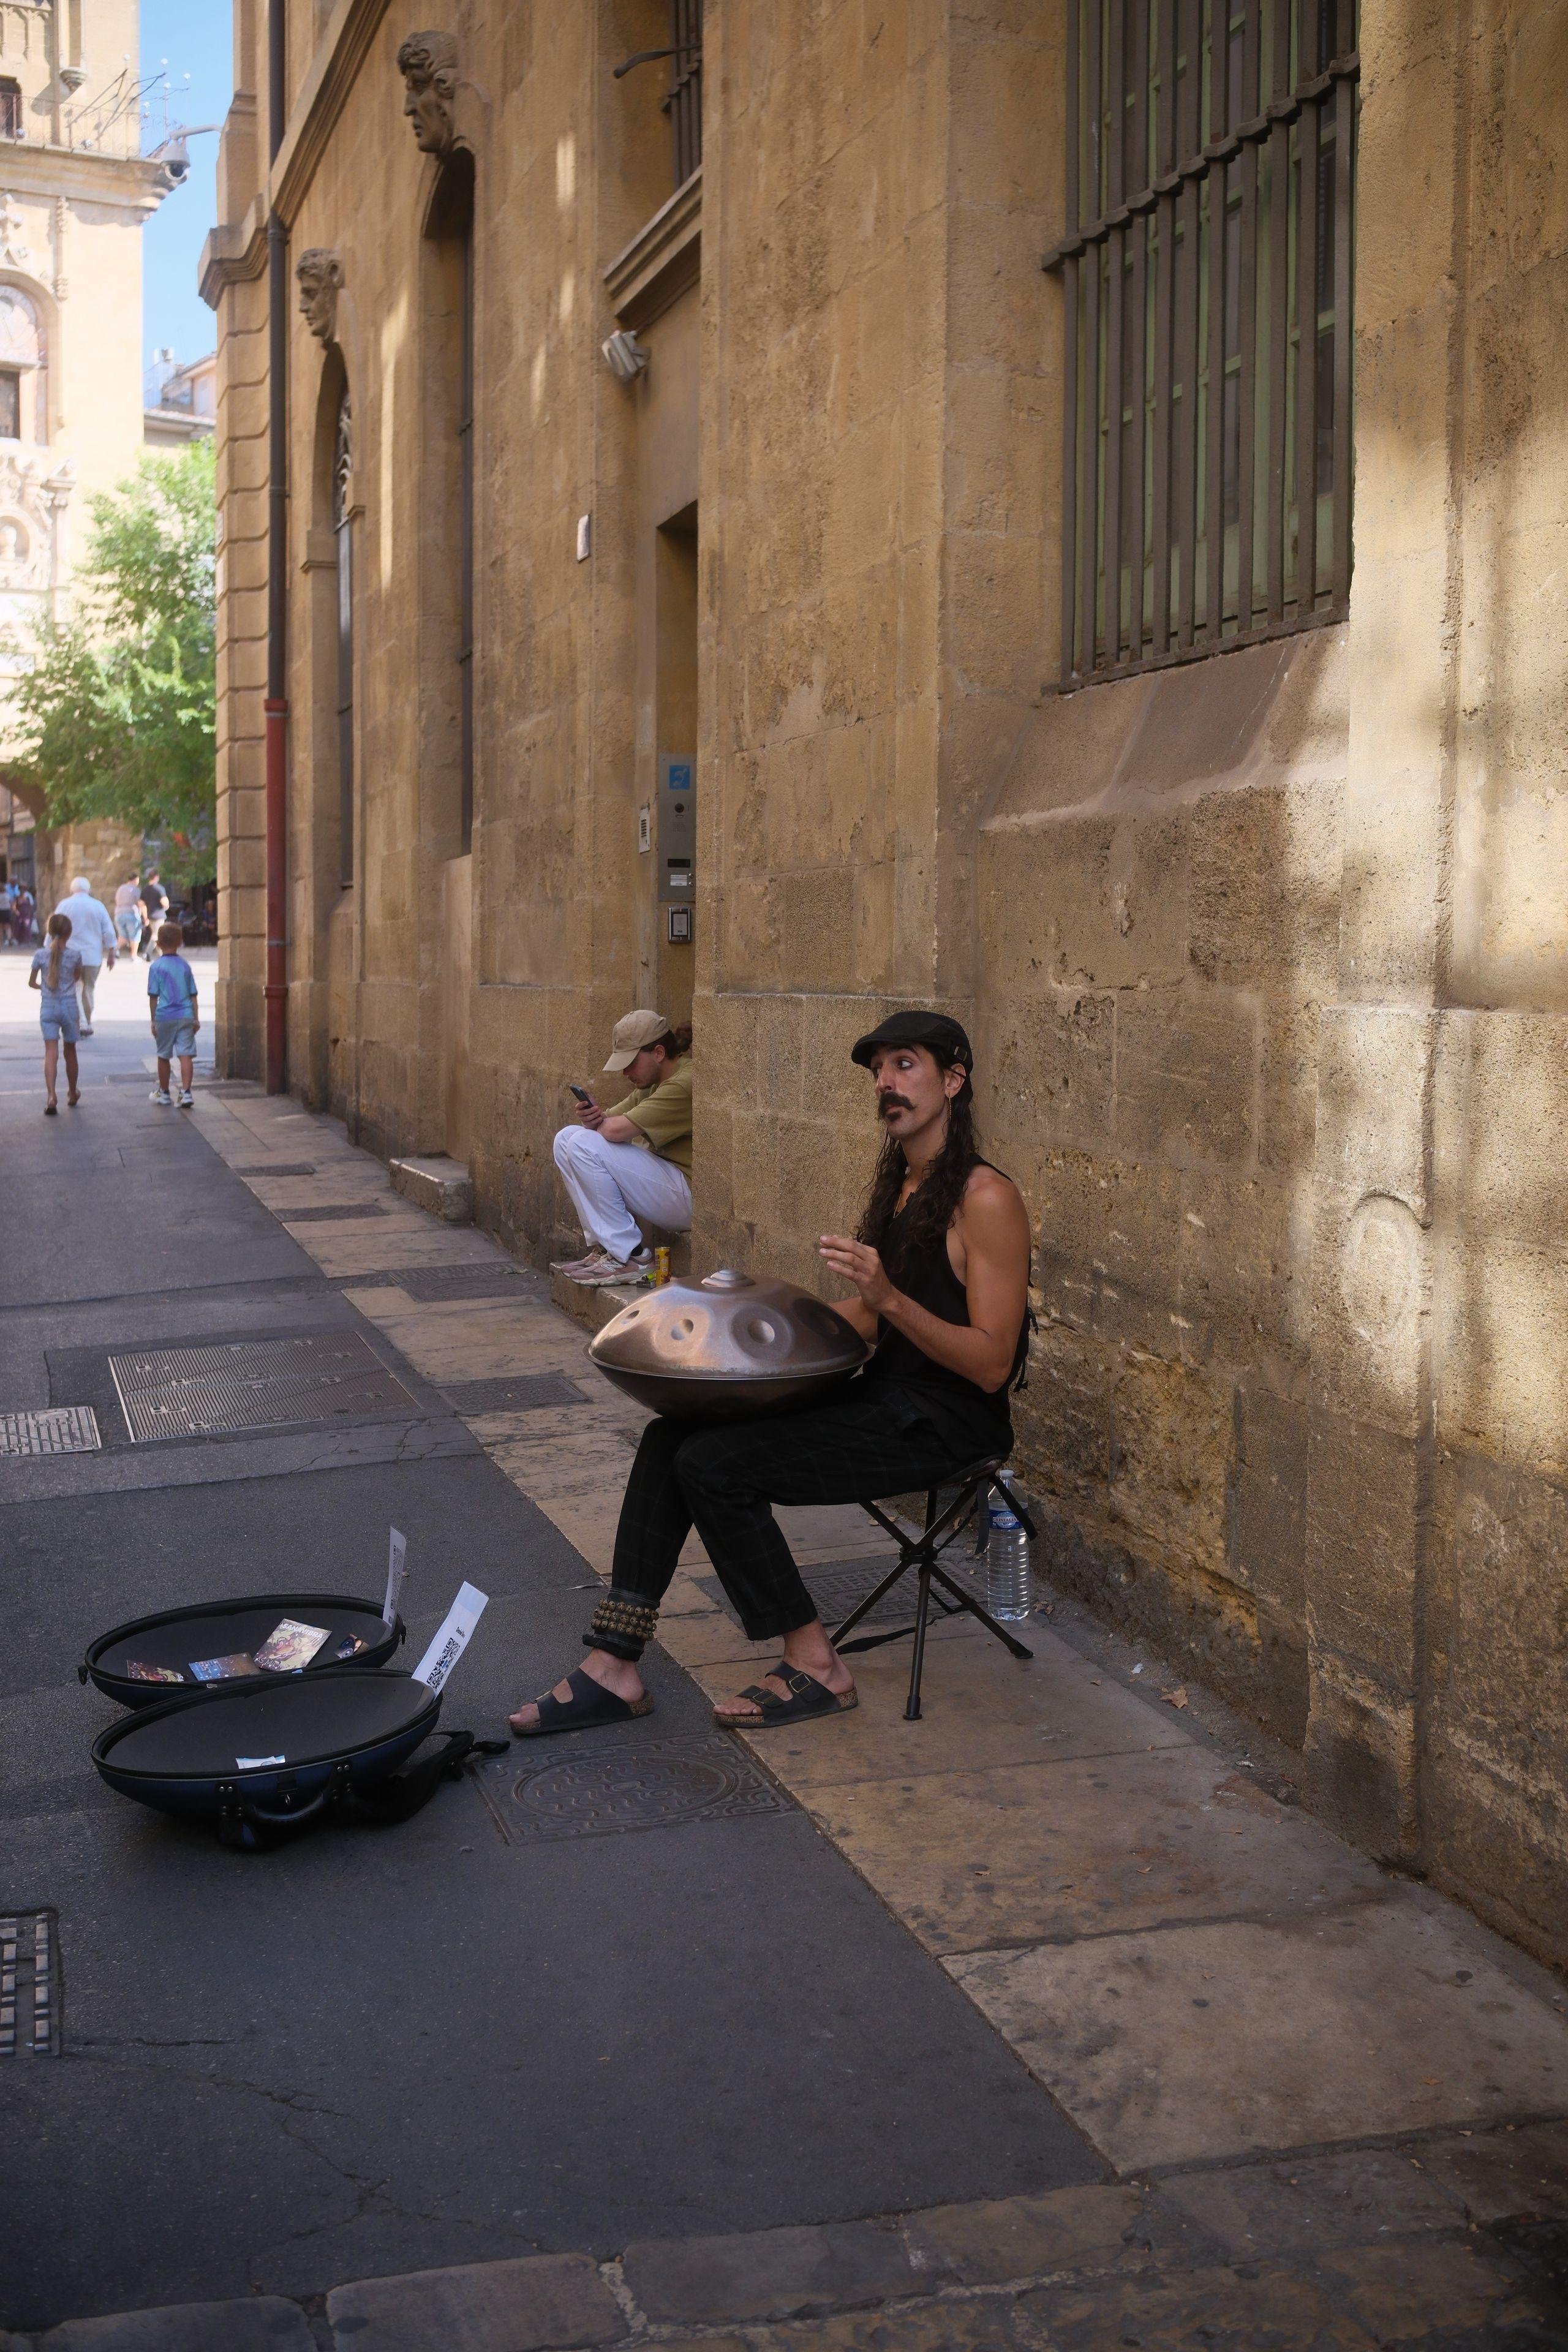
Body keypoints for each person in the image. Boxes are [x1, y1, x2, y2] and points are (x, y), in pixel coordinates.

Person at [510, 1009, 1033, 1738]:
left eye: (905, 1065)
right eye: (879, 1069)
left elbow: (990, 1365)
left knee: (718, 1468)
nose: (886, 1082)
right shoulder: (907, 1186)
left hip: (944, 1423)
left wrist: (884, 1298)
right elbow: (869, 1317)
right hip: (884, 1397)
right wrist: (756, 1338)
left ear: (953, 1080)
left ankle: (817, 1663)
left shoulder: (986, 1198)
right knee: (674, 1436)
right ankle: (614, 1664)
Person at [549, 1009, 693, 1285]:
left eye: (631, 1063)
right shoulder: (651, 1083)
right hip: (666, 1187)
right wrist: (593, 1118)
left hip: (690, 1197)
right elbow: (607, 1124)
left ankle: (632, 1256)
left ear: (659, 1053)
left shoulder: (684, 1083)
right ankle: (608, 1247)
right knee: (567, 1137)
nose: (626, 1072)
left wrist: (600, 1124)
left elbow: (615, 1129)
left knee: (581, 1142)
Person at [28, 912, 84, 1114]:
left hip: (48, 1006)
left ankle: (51, 1096)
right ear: (69, 933)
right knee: (70, 1051)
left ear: (49, 932)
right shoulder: (75, 955)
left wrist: (44, 987)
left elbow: (32, 982)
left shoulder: (40, 955)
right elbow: (76, 978)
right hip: (69, 1005)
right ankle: (72, 1091)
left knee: (50, 1053)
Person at [50, 876, 116, 1033]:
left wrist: (49, 948)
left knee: (74, 989)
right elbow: (108, 930)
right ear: (89, 889)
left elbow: (55, 927)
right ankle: (87, 1021)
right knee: (89, 989)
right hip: (93, 956)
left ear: (71, 889)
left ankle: (82, 1023)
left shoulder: (64, 905)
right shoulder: (98, 906)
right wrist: (112, 953)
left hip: (69, 955)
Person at [146, 920, 200, 1107]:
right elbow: (193, 995)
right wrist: (196, 1018)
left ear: (158, 944)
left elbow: (154, 996)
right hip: (185, 1014)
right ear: (180, 942)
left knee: (163, 1055)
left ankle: (164, 1092)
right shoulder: (185, 966)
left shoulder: (156, 967)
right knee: (186, 1054)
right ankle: (186, 1093)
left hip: (165, 1016)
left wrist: (154, 1020)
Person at [113, 875, 145, 960]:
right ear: (136, 880)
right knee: (135, 935)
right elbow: (141, 903)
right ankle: (134, 956)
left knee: (123, 936)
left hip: (118, 914)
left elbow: (116, 900)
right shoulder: (136, 890)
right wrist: (145, 917)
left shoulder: (121, 888)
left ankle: (114, 950)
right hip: (132, 914)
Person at [138, 867, 169, 957]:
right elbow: (164, 902)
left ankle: (162, 955)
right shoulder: (160, 889)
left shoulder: (145, 889)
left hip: (150, 915)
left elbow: (141, 904)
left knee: (157, 935)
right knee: (156, 935)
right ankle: (147, 953)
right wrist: (167, 906)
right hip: (159, 915)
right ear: (157, 877)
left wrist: (145, 917)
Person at [12, 881, 34, 945]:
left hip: (27, 915)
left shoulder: (28, 897)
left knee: (27, 927)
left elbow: (31, 906)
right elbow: (14, 906)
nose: (22, 891)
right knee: (18, 927)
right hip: (20, 915)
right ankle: (19, 940)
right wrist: (16, 912)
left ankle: (27, 941)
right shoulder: (17, 897)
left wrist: (30, 913)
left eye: (23, 889)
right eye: (21, 889)